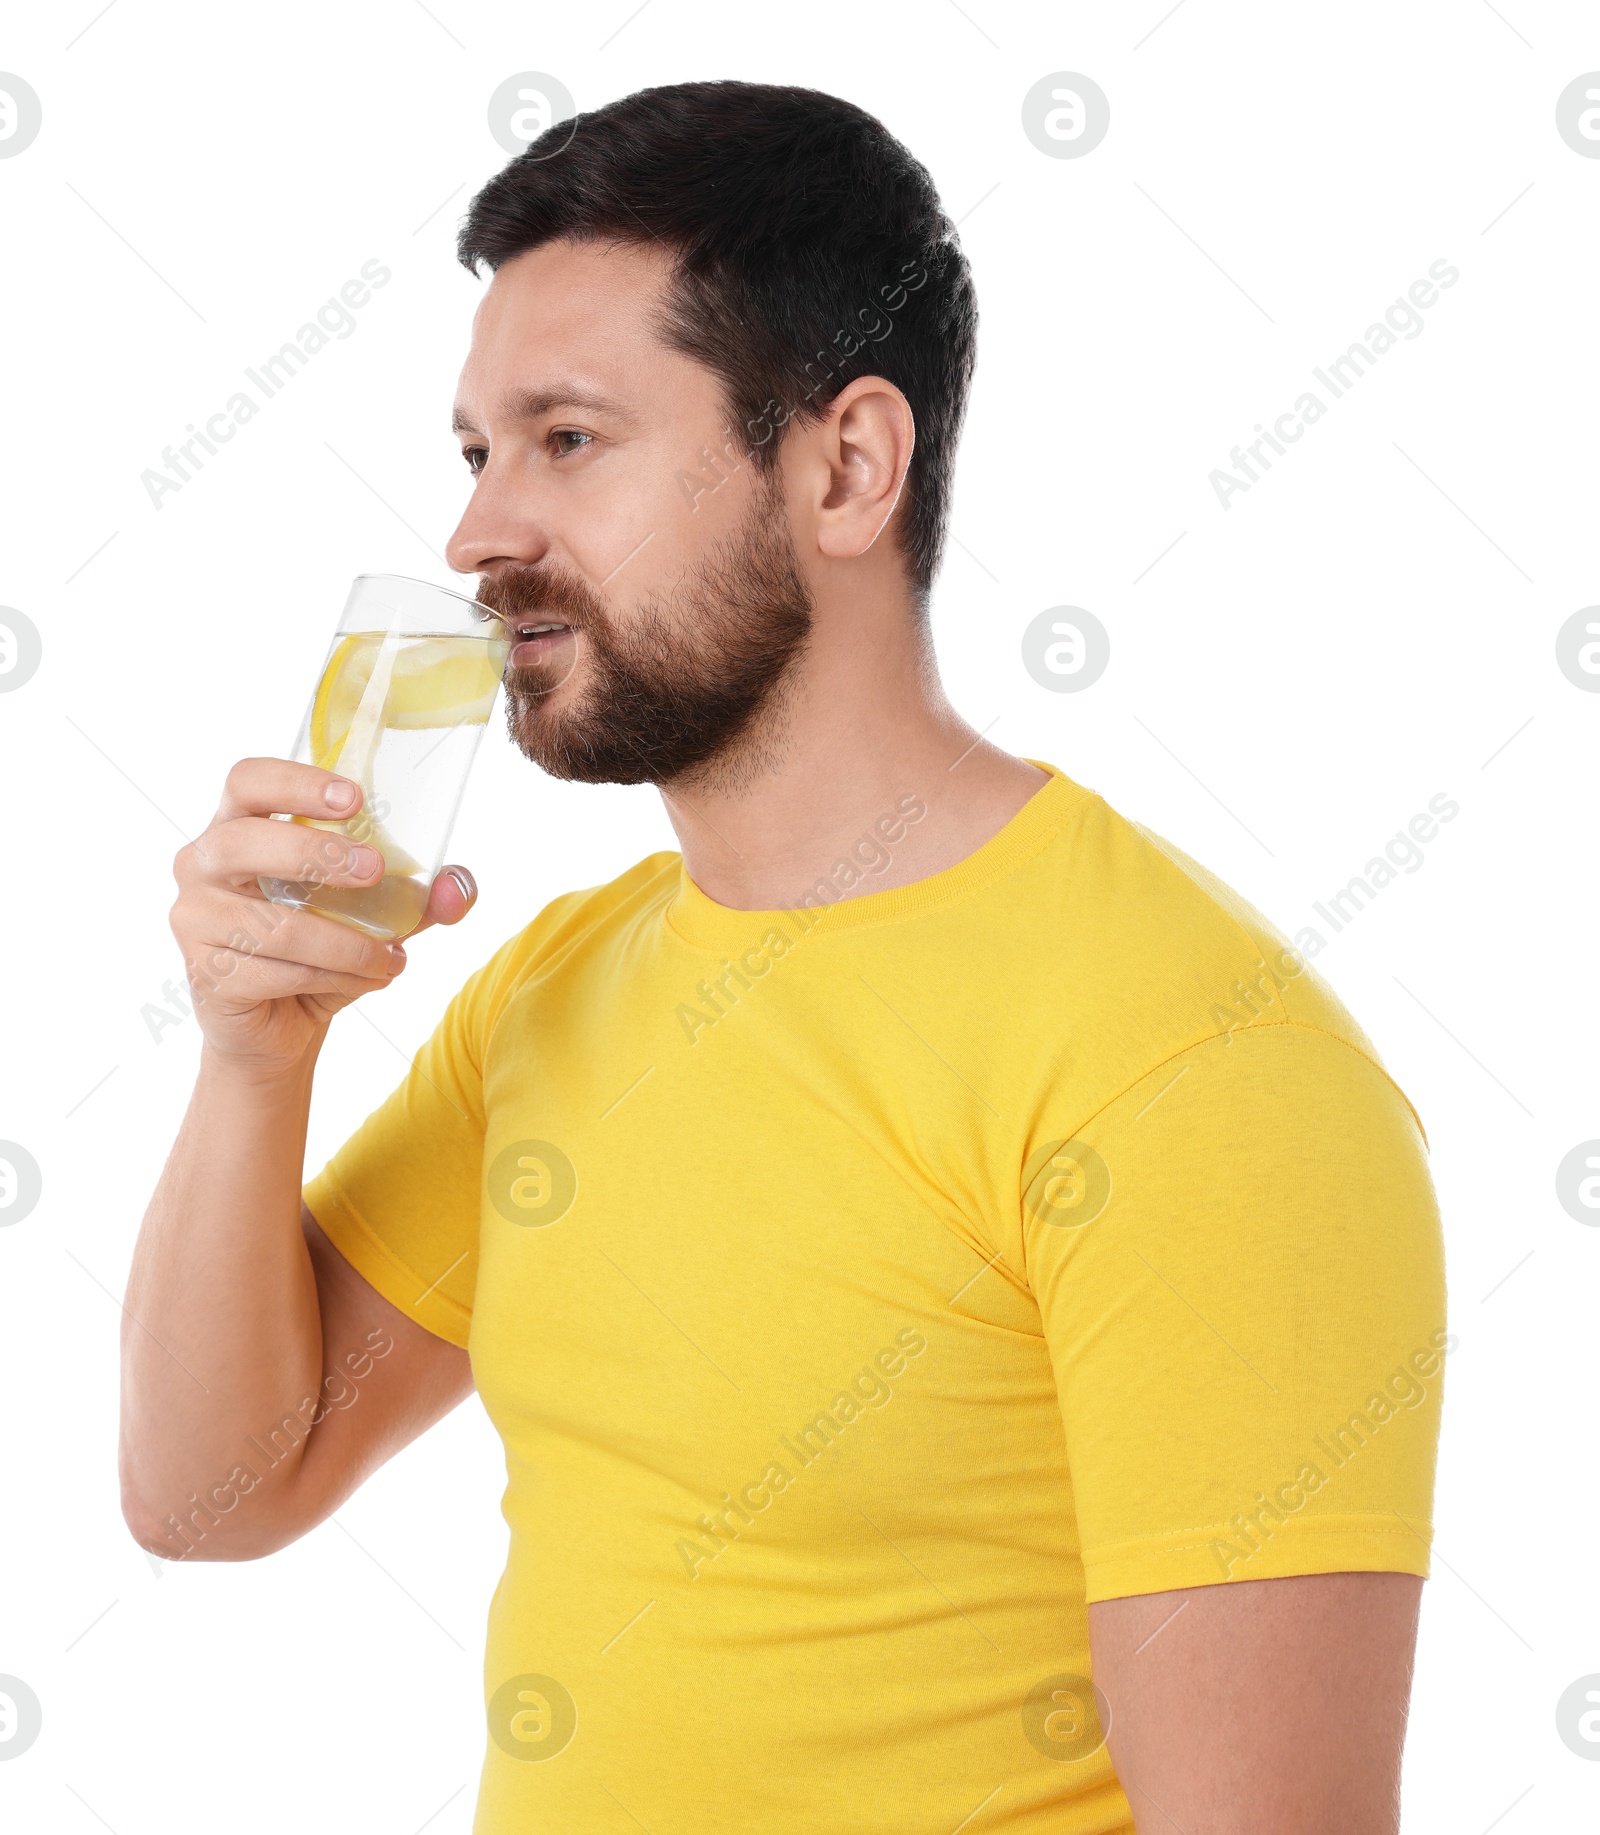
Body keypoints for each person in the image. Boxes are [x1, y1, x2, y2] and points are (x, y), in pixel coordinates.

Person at [121, 80, 1447, 1834]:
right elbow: (213, 1494)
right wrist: (253, 1052)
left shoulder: (1195, 1059)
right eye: (474, 452)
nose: (477, 534)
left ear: (845, 465)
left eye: (568, 440)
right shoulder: (557, 990)